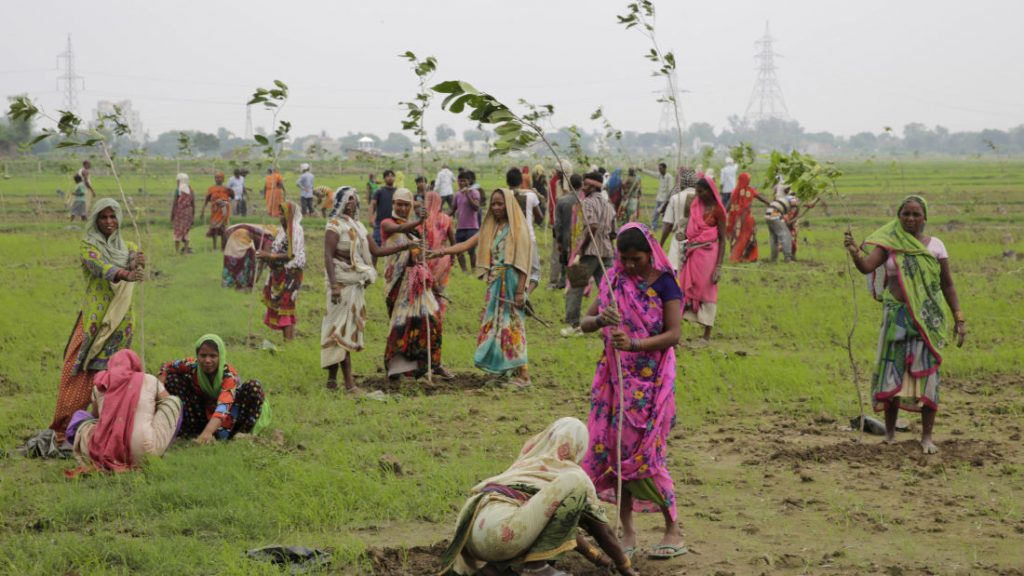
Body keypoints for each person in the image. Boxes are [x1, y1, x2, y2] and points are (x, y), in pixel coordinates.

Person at [580, 224, 686, 560]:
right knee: (616, 453)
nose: (630, 266)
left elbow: (673, 335)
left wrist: (636, 343)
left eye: (636, 259)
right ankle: (626, 530)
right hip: (615, 381)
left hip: (651, 383)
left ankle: (673, 529)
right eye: (624, 259)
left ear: (650, 253)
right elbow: (586, 321)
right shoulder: (613, 280)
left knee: (648, 455)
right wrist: (600, 321)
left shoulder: (666, 283)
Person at [440, 417, 638, 576]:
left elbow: (552, 523)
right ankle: (537, 568)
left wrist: (598, 558)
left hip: (473, 539)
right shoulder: (570, 474)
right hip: (503, 534)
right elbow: (603, 531)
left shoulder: (528, 466)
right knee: (575, 483)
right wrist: (625, 566)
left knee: (525, 515)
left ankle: (492, 569)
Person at [844, 195, 966, 454]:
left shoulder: (936, 246)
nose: (910, 219)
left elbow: (948, 284)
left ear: (925, 218)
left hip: (928, 320)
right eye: (906, 214)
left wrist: (959, 318)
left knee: (928, 375)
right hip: (896, 318)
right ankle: (889, 435)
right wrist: (855, 251)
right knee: (892, 372)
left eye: (916, 214)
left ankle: (927, 437)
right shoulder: (889, 244)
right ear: (898, 217)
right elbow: (866, 267)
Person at [50, 199, 145, 440]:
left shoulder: (129, 246)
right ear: (95, 220)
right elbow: (100, 267)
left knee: (116, 374)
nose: (109, 222)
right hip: (94, 321)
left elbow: (132, 260)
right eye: (103, 217)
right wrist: (126, 273)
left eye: (113, 217)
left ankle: (106, 426)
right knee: (79, 370)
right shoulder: (88, 246)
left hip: (121, 321)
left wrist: (137, 263)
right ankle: (66, 427)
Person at [438, 189, 532, 386]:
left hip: (512, 281)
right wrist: (442, 251)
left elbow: (524, 262)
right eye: (494, 204)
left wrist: (520, 291)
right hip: (496, 282)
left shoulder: (518, 228)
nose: (496, 208)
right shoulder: (491, 228)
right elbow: (466, 244)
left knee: (512, 325)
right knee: (496, 326)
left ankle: (524, 375)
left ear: (508, 205)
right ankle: (503, 371)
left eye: (500, 204)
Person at [322, 187, 407, 392]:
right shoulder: (334, 226)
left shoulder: (358, 226)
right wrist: (333, 285)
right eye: (348, 199)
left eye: (354, 199)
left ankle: (332, 382)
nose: (353, 202)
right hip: (341, 285)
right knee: (340, 332)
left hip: (354, 285)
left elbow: (376, 250)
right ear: (340, 202)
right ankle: (350, 385)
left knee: (339, 331)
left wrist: (405, 246)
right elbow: (328, 256)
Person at [66, 349, 182, 473]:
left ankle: (108, 451)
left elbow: (96, 417)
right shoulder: (150, 379)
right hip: (146, 452)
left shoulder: (101, 383)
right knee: (173, 401)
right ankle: (161, 448)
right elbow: (166, 400)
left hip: (103, 451)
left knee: (80, 416)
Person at [381, 189, 448, 380]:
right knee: (401, 326)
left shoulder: (415, 230)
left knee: (431, 320)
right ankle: (396, 370)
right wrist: (419, 221)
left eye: (406, 204)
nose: (402, 208)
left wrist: (432, 282)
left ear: (411, 206)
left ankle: (430, 365)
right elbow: (397, 231)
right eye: (399, 204)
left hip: (417, 284)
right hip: (398, 284)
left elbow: (420, 258)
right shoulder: (388, 223)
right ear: (393, 204)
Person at [159, 335, 268, 443]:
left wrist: (207, 433)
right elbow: (167, 366)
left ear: (220, 356)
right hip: (205, 411)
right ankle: (188, 430)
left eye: (213, 356)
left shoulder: (228, 376)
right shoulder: (193, 365)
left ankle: (240, 434)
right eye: (203, 355)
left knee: (254, 386)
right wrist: (160, 386)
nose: (207, 360)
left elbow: (223, 407)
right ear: (197, 356)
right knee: (173, 379)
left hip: (232, 414)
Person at [562, 173, 615, 336]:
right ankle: (616, 322)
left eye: (585, 185)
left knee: (575, 287)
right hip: (606, 251)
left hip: (590, 251)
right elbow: (614, 232)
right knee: (609, 289)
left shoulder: (587, 202)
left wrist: (581, 250)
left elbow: (592, 226)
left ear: (592, 187)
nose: (582, 188)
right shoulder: (609, 205)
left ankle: (574, 325)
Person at [680, 177, 726, 340]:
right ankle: (675, 329)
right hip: (692, 253)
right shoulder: (695, 206)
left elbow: (722, 239)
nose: (698, 195)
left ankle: (707, 333)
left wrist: (718, 266)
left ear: (710, 191)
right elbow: (689, 229)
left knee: (707, 291)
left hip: (709, 256)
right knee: (684, 289)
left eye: (701, 191)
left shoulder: (718, 211)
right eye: (697, 192)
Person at [259, 200, 305, 341]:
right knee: (280, 307)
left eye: (283, 213)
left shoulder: (295, 229)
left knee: (286, 306)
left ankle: (289, 343)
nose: (280, 216)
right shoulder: (280, 231)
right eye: (279, 213)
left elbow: (292, 254)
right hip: (278, 273)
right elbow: (274, 249)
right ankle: (287, 342)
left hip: (291, 273)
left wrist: (269, 256)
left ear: (290, 214)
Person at [508, 167, 543, 294]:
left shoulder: (505, 195)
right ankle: (524, 296)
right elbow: (540, 218)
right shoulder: (531, 195)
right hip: (528, 238)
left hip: (509, 238)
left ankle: (514, 295)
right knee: (535, 273)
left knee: (513, 270)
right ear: (521, 181)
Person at [659, 167, 699, 273]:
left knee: (676, 271)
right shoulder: (702, 198)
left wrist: (661, 244)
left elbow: (668, 224)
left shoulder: (675, 198)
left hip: (678, 240)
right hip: (698, 242)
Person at [726, 172, 769, 263]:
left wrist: (723, 213)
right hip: (748, 218)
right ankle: (750, 256)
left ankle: (736, 256)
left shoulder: (735, 191)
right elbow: (761, 197)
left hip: (737, 219)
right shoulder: (751, 190)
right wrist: (771, 203)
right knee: (747, 237)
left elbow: (729, 204)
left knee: (738, 237)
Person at [221, 223, 278, 291]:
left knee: (232, 261)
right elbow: (264, 256)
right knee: (248, 263)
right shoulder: (269, 238)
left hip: (231, 234)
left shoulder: (261, 231)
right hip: (242, 236)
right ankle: (245, 285)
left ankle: (229, 283)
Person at [423, 190, 457, 305]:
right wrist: (452, 256)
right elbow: (453, 241)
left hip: (426, 259)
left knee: (425, 289)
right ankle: (437, 314)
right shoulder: (446, 218)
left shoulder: (422, 220)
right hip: (442, 258)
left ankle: (428, 314)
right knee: (439, 290)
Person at [551, 173, 582, 291]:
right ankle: (576, 283)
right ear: (581, 184)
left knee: (564, 258)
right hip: (580, 236)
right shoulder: (584, 200)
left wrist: (558, 239)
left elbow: (557, 223)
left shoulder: (562, 201)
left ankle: (563, 282)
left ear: (569, 185)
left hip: (565, 235)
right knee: (578, 258)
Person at [547, 160, 573, 288]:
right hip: (563, 225)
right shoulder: (558, 183)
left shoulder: (557, 183)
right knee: (561, 253)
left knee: (561, 253)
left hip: (563, 225)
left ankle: (559, 280)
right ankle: (557, 280)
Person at [452, 170, 482, 270]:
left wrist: (467, 195)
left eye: (464, 181)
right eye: (460, 181)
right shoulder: (457, 195)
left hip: (472, 228)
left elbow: (476, 207)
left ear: (469, 182)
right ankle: (464, 270)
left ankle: (473, 269)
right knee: (458, 250)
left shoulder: (475, 193)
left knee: (471, 251)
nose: (461, 183)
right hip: (460, 227)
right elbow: (453, 209)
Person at [369, 169, 397, 261]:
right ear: (384, 178)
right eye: (388, 176)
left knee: (395, 247)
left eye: (392, 176)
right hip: (379, 224)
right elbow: (372, 204)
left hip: (394, 223)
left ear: (394, 178)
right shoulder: (379, 191)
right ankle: (372, 268)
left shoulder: (397, 192)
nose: (390, 178)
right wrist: (370, 218)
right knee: (375, 247)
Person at [201, 172, 234, 250]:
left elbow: (232, 196)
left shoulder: (226, 189)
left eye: (219, 177)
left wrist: (231, 192)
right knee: (214, 229)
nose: (218, 179)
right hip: (215, 211)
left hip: (224, 211)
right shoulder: (211, 189)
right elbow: (206, 200)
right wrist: (202, 210)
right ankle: (214, 247)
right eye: (216, 177)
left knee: (223, 229)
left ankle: (223, 247)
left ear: (223, 179)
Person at [764, 193, 799, 263]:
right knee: (786, 235)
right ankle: (788, 258)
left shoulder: (783, 199)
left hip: (768, 214)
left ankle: (773, 259)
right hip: (775, 213)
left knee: (774, 238)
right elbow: (794, 202)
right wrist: (802, 204)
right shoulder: (792, 198)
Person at [641, 162, 674, 229]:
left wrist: (667, 201)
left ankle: (666, 228)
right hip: (659, 199)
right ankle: (654, 227)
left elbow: (670, 190)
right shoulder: (660, 175)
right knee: (655, 214)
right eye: (659, 169)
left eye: (661, 169)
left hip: (664, 200)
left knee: (665, 216)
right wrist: (641, 170)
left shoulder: (669, 177)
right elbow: (651, 173)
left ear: (665, 169)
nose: (659, 170)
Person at [170, 172, 195, 254]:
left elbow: (174, 203)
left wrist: (172, 215)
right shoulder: (190, 190)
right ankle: (186, 249)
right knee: (186, 231)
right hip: (188, 213)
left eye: (177, 181)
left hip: (179, 214)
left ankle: (177, 251)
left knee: (178, 231)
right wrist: (193, 216)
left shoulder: (178, 190)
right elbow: (193, 203)